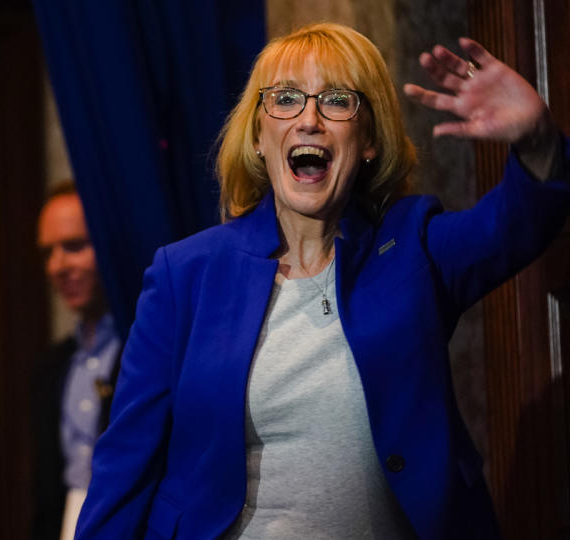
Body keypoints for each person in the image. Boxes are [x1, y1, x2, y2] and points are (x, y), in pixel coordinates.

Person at [75, 23, 569, 539]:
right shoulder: (186, 275)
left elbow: (518, 225)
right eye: (285, 99)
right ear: (259, 138)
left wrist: (536, 138)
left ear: (370, 141)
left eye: (337, 101)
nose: (309, 119)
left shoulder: (411, 250)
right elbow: (125, 468)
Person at [33, 181, 122, 540]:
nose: (57, 266)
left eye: (74, 246)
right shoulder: (53, 366)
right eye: (47, 252)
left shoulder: (146, 351)